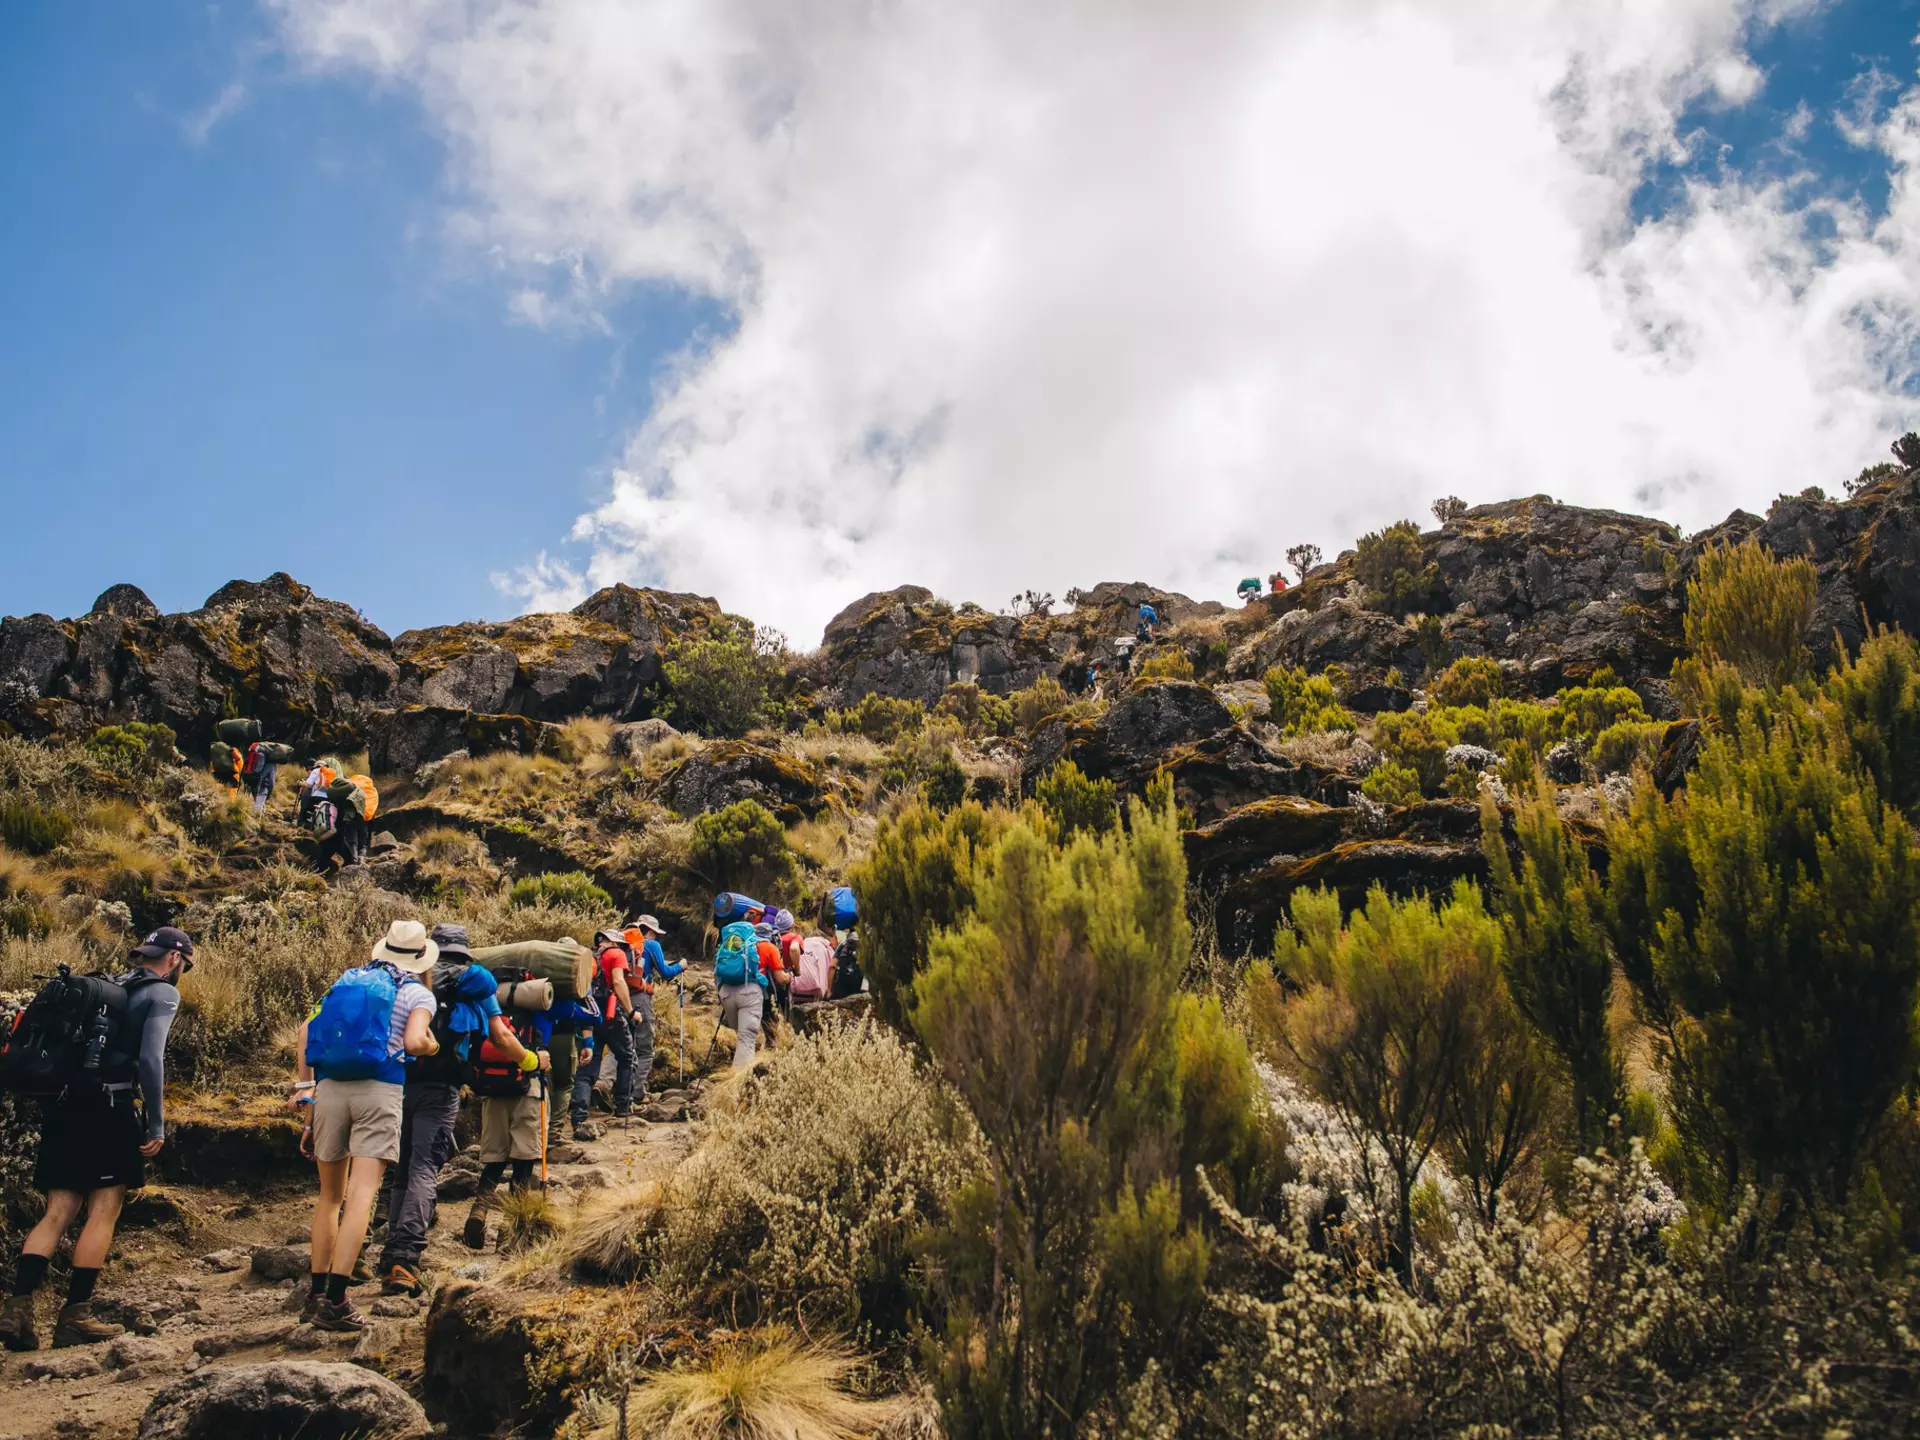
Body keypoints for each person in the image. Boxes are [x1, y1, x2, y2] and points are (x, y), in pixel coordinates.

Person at [0, 928, 192, 1352]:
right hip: (109, 1107)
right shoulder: (161, 994)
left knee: (58, 1210)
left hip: (63, 1105)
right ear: (175, 959)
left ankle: (17, 1309)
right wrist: (157, 1123)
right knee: (104, 1208)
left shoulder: (110, 987)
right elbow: (150, 1058)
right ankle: (74, 1318)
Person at [290, 920, 440, 1332]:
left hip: (331, 1090)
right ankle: (338, 1300)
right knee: (362, 1194)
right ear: (419, 957)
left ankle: (315, 1293)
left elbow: (305, 1031)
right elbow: (413, 1042)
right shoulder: (416, 991)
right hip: (379, 1090)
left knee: (329, 1198)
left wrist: (307, 1093)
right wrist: (431, 1043)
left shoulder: (348, 980)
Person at [376, 924, 535, 1296]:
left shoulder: (405, 977)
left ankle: (389, 1253)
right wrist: (529, 1062)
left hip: (394, 1083)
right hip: (440, 1087)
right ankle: (404, 1257)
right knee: (423, 1169)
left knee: (400, 1169)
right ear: (465, 950)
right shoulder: (474, 981)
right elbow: (500, 1036)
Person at [461, 998, 552, 1249]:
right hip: (528, 1089)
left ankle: (479, 1212)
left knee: (494, 1160)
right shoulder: (538, 1005)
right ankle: (510, 1228)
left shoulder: (485, 1007)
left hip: (493, 1091)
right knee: (523, 1162)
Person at [572, 929, 639, 1137]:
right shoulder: (616, 954)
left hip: (588, 1016)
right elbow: (618, 982)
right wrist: (631, 1011)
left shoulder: (588, 957)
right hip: (610, 1014)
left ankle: (579, 1116)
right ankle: (623, 1106)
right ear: (615, 943)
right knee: (627, 1057)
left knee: (588, 1064)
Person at [623, 916, 684, 1107]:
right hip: (640, 998)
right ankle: (638, 1092)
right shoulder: (651, 945)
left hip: (618, 998)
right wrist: (680, 967)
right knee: (645, 1050)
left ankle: (605, 1084)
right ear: (650, 931)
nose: (657, 938)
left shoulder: (622, 942)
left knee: (622, 1045)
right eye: (656, 934)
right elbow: (665, 972)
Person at [712, 920, 767, 1070]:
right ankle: (738, 1081)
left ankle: (737, 1068)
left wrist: (721, 992)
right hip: (749, 992)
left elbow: (716, 975)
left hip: (726, 993)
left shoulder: (723, 948)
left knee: (741, 1036)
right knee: (747, 1038)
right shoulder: (754, 945)